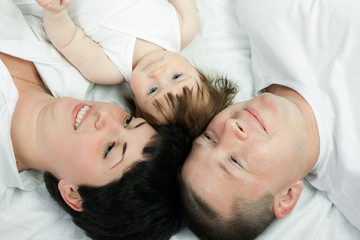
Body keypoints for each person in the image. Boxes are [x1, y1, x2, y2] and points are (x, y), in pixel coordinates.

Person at [179, 0, 360, 239]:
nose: (232, 128)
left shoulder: (264, 14)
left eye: (210, 137)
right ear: (286, 197)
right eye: (236, 161)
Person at [0, 51, 192, 240]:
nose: (106, 115)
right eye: (128, 121)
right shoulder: (81, 57)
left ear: (73, 195)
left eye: (109, 149)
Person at [34, 0, 237, 140]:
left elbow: (67, 40)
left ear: (137, 103)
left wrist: (55, 12)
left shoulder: (107, 69)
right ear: (198, 72)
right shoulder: (184, 27)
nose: (158, 73)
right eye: (176, 76)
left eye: (153, 90)